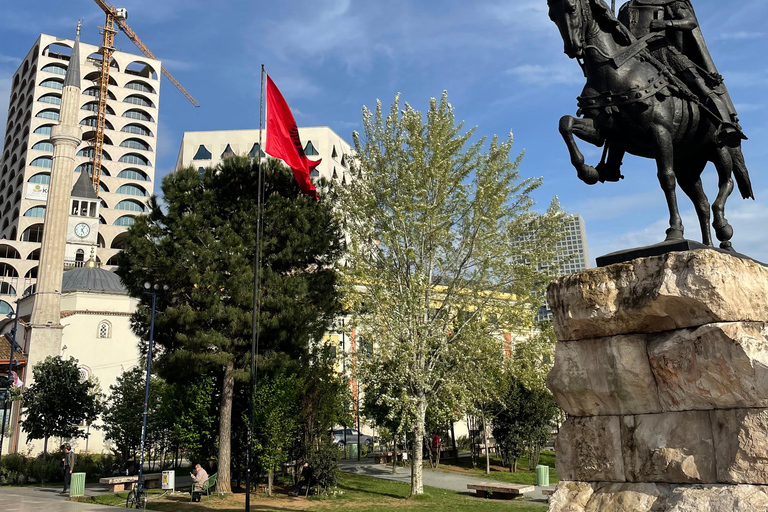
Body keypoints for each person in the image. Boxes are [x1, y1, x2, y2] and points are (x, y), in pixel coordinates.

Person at [618, 0, 745, 145]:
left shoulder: (667, 1)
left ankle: (726, 124)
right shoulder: (625, 8)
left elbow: (690, 22)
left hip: (661, 49)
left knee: (699, 84)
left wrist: (666, 24)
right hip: (631, 55)